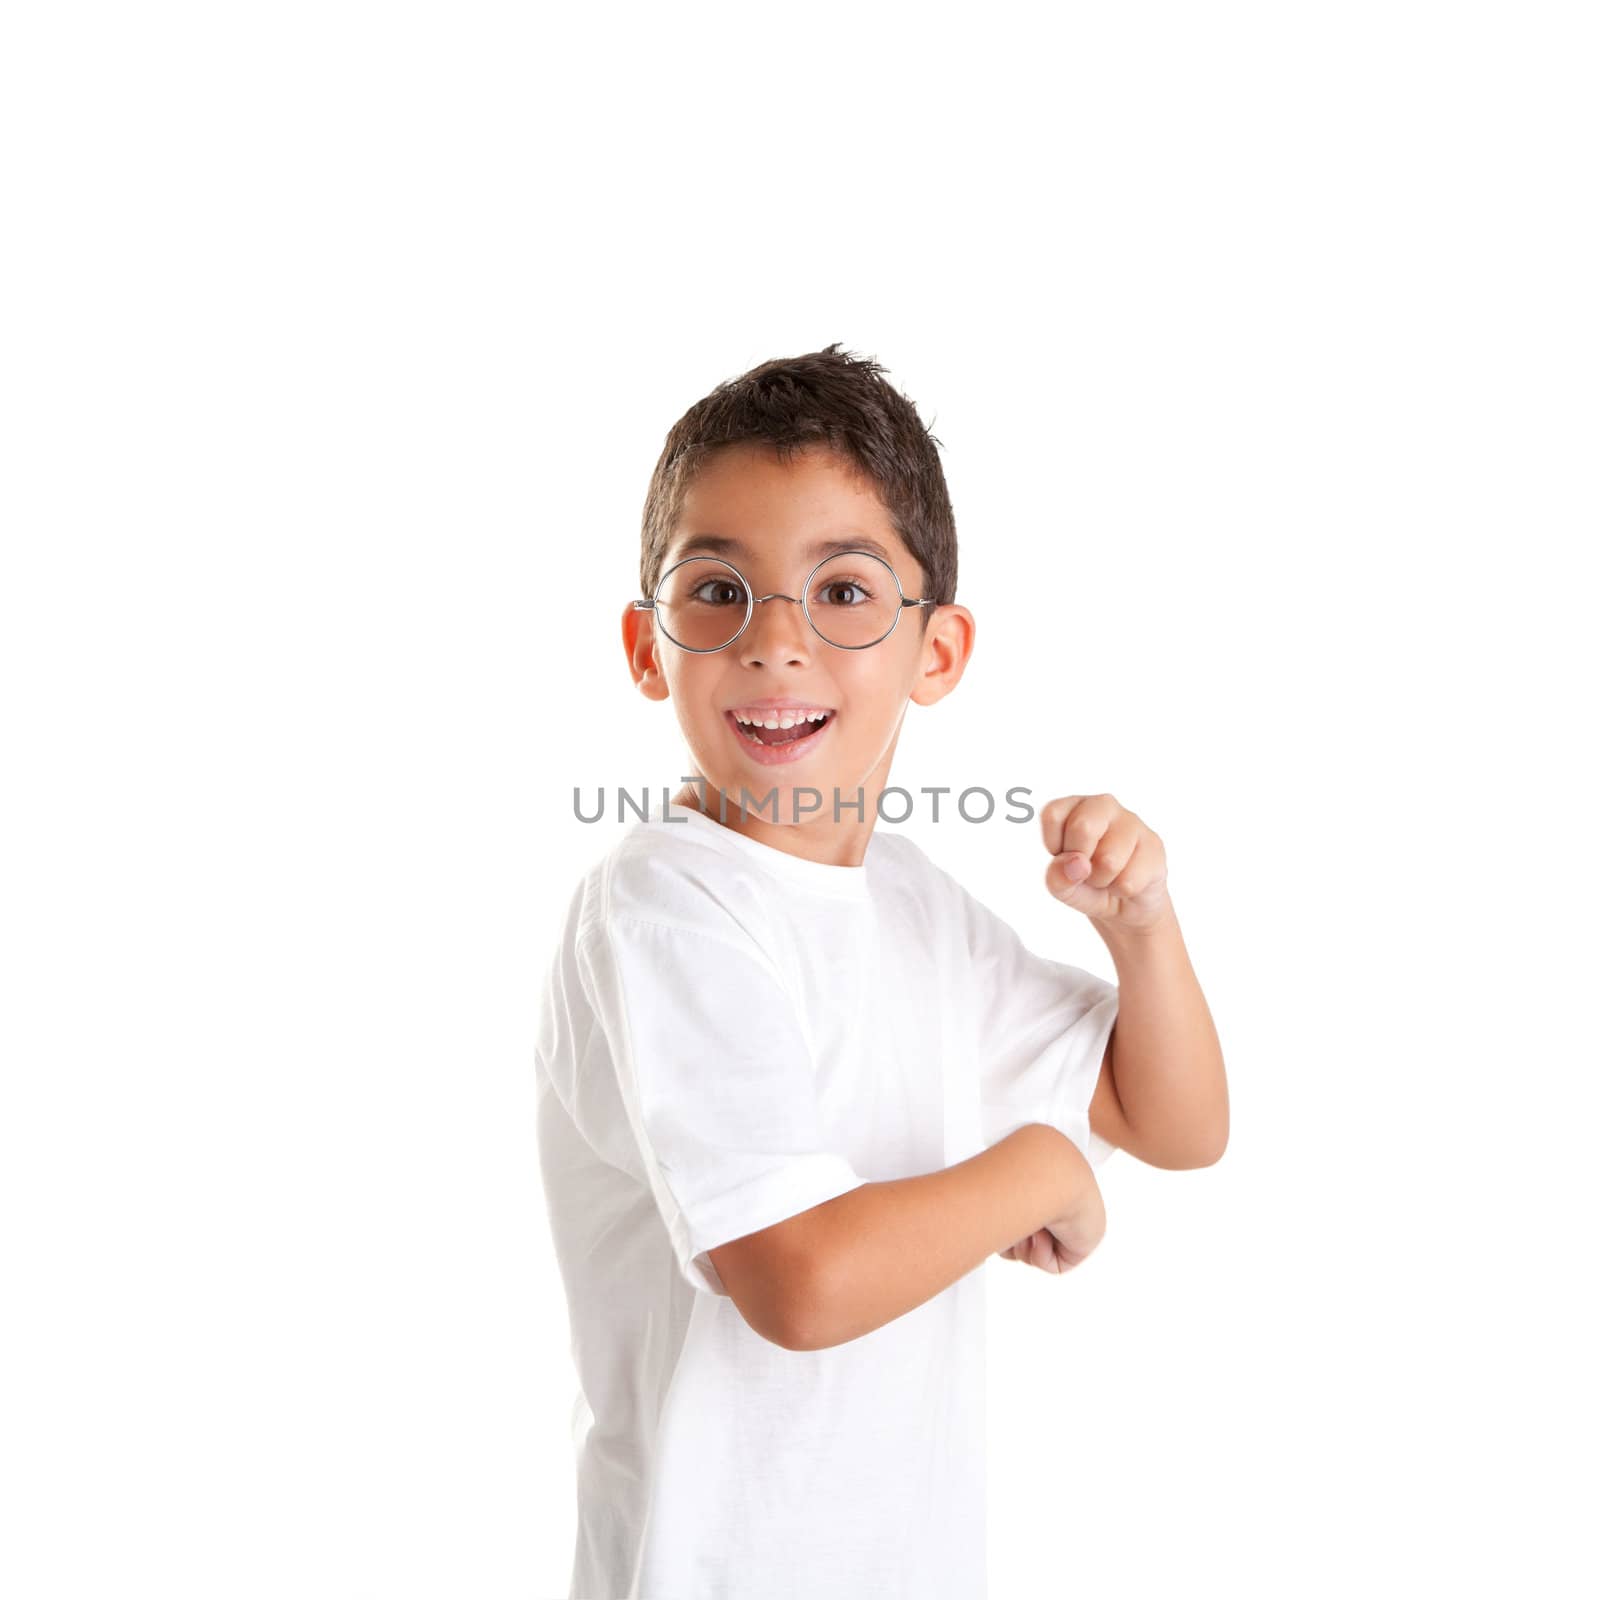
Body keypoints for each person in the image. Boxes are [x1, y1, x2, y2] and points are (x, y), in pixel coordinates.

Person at [534, 343, 1229, 1599]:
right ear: (648, 647)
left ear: (938, 651)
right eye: (717, 591)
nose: (777, 644)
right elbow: (798, 1277)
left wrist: (1142, 929)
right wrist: (1039, 1167)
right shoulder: (665, 906)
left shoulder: (909, 900)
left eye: (844, 592)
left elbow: (1170, 1122)